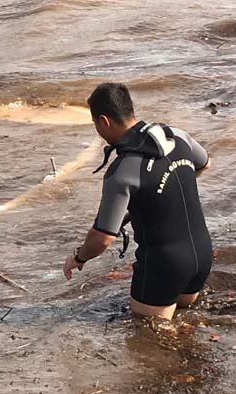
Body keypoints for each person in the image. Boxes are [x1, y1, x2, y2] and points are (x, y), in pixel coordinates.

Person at [63, 82, 212, 320]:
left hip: (164, 266)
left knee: (147, 338)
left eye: (95, 125)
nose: (98, 131)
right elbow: (204, 164)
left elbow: (102, 239)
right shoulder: (176, 135)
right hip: (202, 255)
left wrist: (78, 257)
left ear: (104, 121)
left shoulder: (122, 170)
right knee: (185, 325)